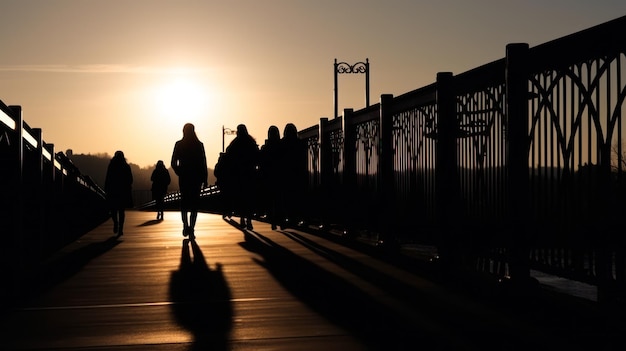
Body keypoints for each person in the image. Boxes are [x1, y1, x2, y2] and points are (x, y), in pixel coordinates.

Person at [171, 123, 208, 239]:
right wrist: (205, 178)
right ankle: (192, 228)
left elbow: (173, 162)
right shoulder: (199, 145)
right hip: (196, 178)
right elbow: (203, 162)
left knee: (184, 203)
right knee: (194, 205)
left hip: (184, 177)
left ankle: (185, 225)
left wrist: (179, 171)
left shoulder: (179, 144)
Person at [223, 124, 259, 230]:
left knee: (241, 197)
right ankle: (249, 220)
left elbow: (228, 156)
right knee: (249, 197)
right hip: (250, 173)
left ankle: (242, 218)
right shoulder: (251, 142)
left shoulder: (234, 144)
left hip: (238, 174)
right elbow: (257, 156)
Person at [278, 123, 308, 228]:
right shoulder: (300, 143)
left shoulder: (281, 143)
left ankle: (287, 218)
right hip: (297, 173)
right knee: (297, 196)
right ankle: (295, 218)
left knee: (286, 197)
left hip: (285, 174)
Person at [105, 150, 133, 237]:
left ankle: (115, 223)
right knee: (121, 210)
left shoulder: (112, 166)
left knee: (113, 209)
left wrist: (106, 188)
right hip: (123, 191)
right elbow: (130, 180)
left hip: (113, 190)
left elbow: (108, 178)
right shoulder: (126, 166)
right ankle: (120, 228)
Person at [258, 125, 282, 229]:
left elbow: (260, 161)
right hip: (279, 175)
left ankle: (271, 218)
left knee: (269, 197)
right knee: (278, 197)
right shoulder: (282, 146)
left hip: (268, 176)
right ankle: (280, 218)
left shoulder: (265, 147)